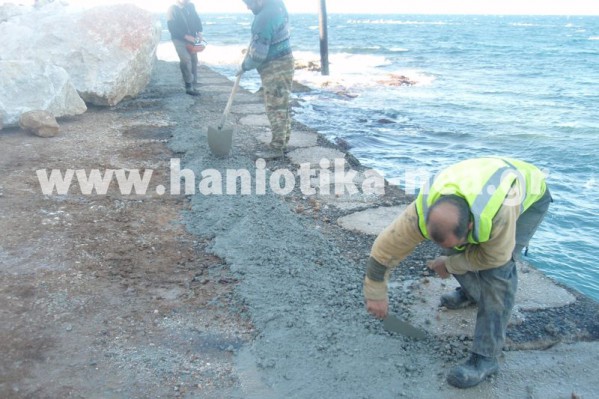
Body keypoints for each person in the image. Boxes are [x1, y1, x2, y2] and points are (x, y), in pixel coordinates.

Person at [363, 157, 552, 388]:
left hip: (529, 194)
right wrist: (375, 293)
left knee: (497, 273)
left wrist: (449, 265)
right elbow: (386, 248)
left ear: (471, 226)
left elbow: (495, 257)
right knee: (454, 247)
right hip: (481, 184)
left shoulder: (500, 210)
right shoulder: (422, 209)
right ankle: (472, 294)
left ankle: (486, 358)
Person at [239, 0, 294, 160]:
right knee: (282, 104)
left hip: (275, 67)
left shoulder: (264, 17)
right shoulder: (278, 6)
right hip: (285, 61)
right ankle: (283, 142)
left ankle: (276, 148)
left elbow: (258, 55)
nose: (248, 7)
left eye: (249, 3)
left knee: (275, 107)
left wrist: (245, 65)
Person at [167, 0, 203, 96]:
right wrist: (186, 36)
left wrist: (199, 32)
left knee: (194, 60)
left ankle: (193, 83)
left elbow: (196, 19)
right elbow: (172, 27)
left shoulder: (191, 6)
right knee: (186, 59)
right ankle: (188, 86)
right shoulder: (172, 9)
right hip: (179, 39)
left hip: (192, 39)